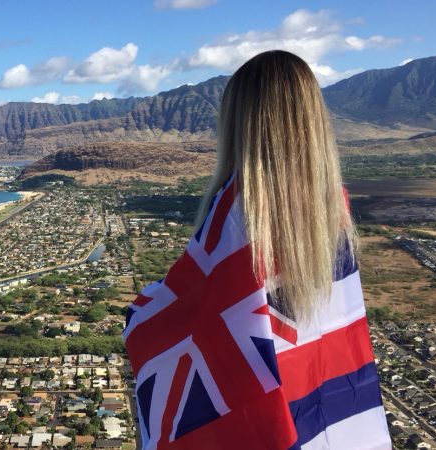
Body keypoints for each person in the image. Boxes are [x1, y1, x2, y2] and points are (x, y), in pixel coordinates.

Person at [123, 50, 391, 449]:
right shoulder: (334, 201)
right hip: (316, 377)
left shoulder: (238, 209)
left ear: (239, 122)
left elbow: (194, 310)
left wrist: (140, 311)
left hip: (265, 382)